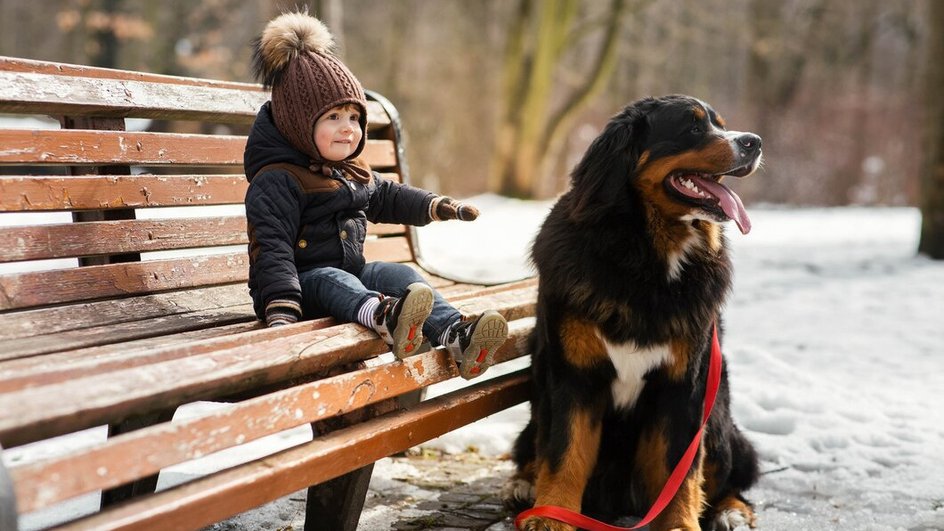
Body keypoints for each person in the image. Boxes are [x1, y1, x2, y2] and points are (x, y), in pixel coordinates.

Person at [243, 11, 507, 379]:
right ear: (299, 124)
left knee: (397, 274)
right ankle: (385, 317)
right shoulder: (277, 180)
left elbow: (389, 196)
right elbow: (271, 249)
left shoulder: (349, 172)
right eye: (333, 117)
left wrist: (438, 206)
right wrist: (280, 310)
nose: (348, 129)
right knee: (333, 280)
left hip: (351, 276)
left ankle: (455, 333)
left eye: (354, 118)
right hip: (297, 290)